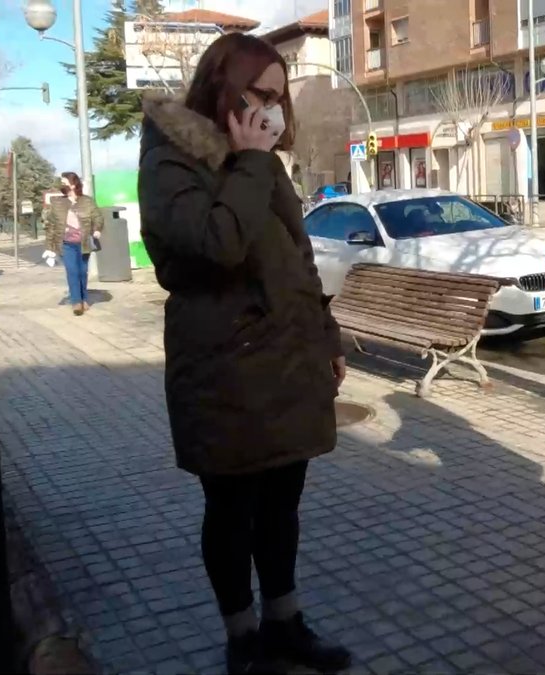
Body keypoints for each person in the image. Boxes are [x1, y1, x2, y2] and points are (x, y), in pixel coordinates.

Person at [137, 32, 351, 674]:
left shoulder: (265, 161)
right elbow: (217, 243)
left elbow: (300, 258)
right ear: (224, 88)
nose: (272, 111)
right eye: (260, 95)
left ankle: (285, 622)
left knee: (283, 505)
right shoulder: (171, 157)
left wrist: (328, 335)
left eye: (280, 99)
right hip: (225, 366)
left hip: (288, 360)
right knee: (233, 511)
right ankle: (243, 637)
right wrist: (253, 163)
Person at [45, 172, 102, 315]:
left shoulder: (87, 201)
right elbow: (50, 225)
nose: (61, 184)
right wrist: (50, 247)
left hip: (84, 243)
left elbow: (98, 217)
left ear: (73, 183)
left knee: (83, 272)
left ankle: (84, 299)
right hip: (66, 243)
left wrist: (96, 230)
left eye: (64, 182)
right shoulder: (57, 203)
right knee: (72, 271)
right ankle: (76, 301)